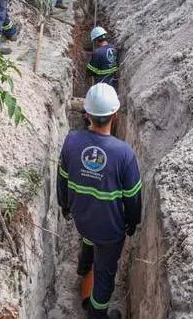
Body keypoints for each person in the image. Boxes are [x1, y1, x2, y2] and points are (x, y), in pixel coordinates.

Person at [57, 83, 141, 319]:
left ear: (87, 114)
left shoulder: (71, 141)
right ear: (115, 115)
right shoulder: (124, 153)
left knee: (87, 237)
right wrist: (132, 222)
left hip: (82, 219)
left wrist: (65, 205)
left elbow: (62, 179)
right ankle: (97, 314)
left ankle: (84, 268)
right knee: (104, 274)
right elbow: (133, 197)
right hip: (110, 230)